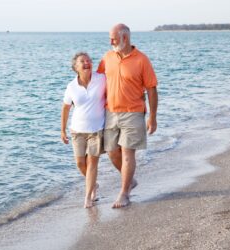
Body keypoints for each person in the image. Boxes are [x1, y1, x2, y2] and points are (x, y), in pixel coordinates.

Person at [97, 23, 158, 208]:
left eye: (113, 38)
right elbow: (96, 82)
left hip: (133, 112)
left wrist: (152, 117)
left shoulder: (142, 60)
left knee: (127, 153)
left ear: (125, 37)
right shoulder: (108, 57)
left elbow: (151, 90)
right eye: (110, 38)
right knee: (111, 151)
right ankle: (129, 180)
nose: (110, 42)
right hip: (110, 112)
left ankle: (124, 193)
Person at [61, 52, 106, 208]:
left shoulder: (101, 79)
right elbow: (66, 108)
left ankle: (88, 197)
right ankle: (94, 184)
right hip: (77, 130)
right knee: (80, 163)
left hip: (96, 129)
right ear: (76, 67)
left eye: (89, 60)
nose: (87, 63)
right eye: (82, 61)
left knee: (92, 162)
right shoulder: (71, 86)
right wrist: (62, 130)